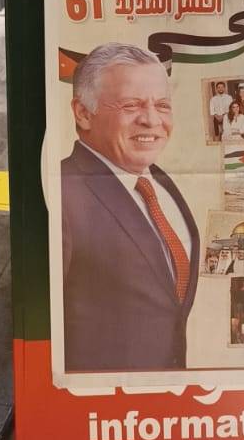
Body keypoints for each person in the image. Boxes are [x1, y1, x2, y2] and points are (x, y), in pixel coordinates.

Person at [61, 42, 199, 371]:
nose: (151, 120)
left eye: (162, 105)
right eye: (131, 105)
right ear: (83, 113)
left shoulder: (159, 181)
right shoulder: (63, 193)